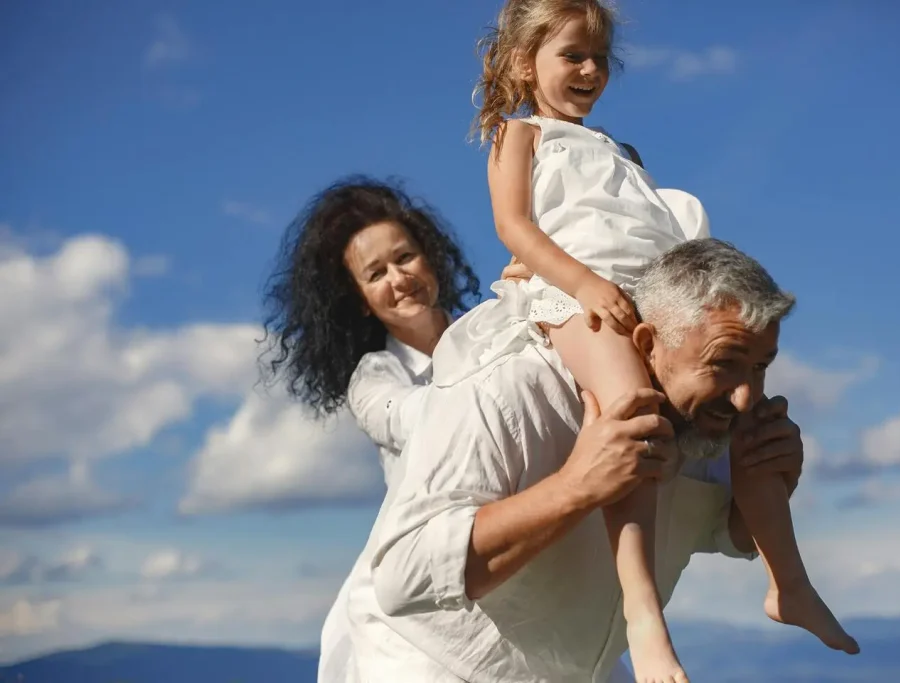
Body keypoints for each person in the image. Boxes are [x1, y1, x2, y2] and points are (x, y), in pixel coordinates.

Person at [433, 1, 858, 679]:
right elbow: (516, 228)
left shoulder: (621, 153)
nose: (591, 69)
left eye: (600, 57)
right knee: (632, 406)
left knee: (751, 418)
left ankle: (790, 582)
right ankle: (643, 611)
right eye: (572, 54)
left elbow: (654, 234)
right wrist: (579, 282)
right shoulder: (520, 136)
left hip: (654, 296)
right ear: (524, 62)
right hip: (578, 295)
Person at [349, 238, 804, 682]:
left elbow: (721, 531)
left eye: (761, 367)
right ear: (646, 344)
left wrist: (771, 479)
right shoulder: (508, 388)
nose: (746, 398)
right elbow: (401, 577)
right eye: (724, 363)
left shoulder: (706, 424)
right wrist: (576, 487)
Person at [257, 176, 484, 683]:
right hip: (423, 582)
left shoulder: (490, 327)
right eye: (375, 273)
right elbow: (413, 419)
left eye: (405, 258)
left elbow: (562, 319)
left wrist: (543, 294)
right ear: (361, 299)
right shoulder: (374, 377)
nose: (398, 279)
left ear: (432, 258)